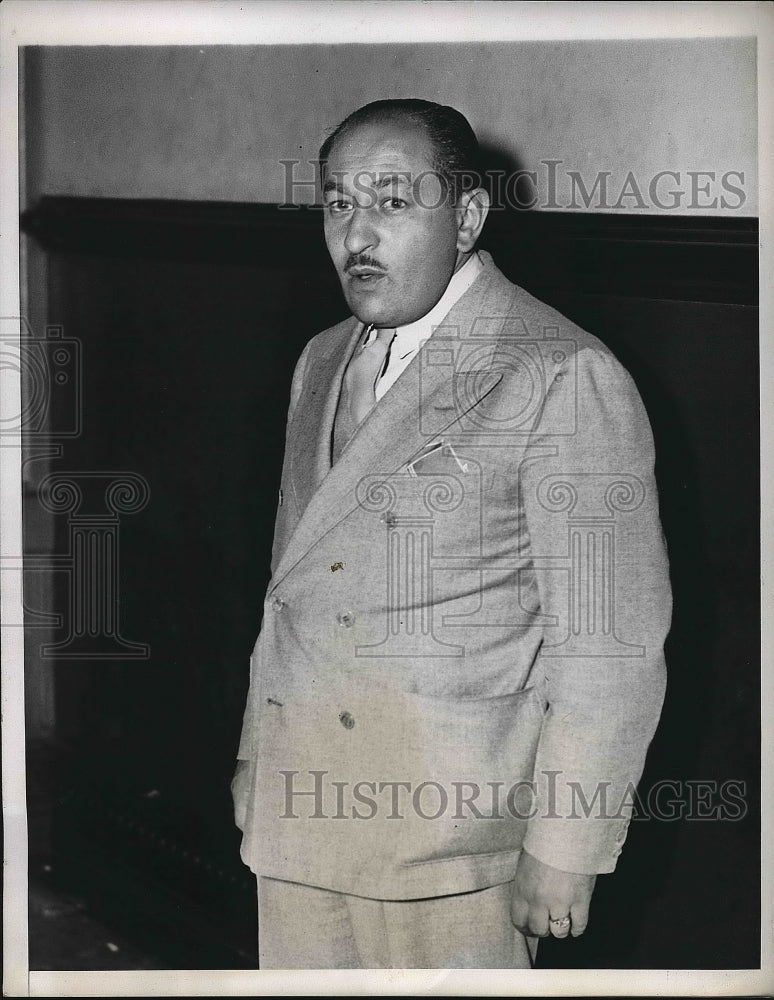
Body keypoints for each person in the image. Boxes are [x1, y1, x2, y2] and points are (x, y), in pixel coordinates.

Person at [232, 99, 671, 969]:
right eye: (338, 203)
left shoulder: (558, 372)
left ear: (467, 218)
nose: (358, 235)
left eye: (393, 202)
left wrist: (566, 850)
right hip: (296, 810)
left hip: (451, 843)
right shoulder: (323, 357)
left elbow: (610, 647)